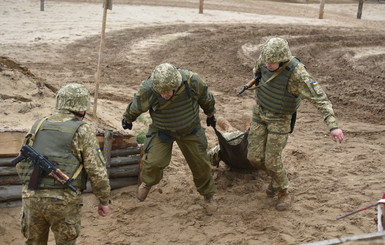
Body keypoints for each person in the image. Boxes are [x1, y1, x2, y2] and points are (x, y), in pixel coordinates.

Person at [246, 37, 344, 211]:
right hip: (260, 112)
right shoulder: (265, 59)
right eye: (267, 60)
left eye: (273, 62)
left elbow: (320, 99)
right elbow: (258, 74)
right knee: (253, 157)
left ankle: (283, 190)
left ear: (282, 59)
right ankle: (277, 179)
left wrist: (333, 126)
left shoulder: (298, 74)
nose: (268, 64)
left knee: (272, 162)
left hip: (280, 118)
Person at [15, 83, 111, 244]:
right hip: (63, 200)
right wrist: (104, 200)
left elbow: (21, 164)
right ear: (82, 106)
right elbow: (97, 171)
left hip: (31, 197)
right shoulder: (82, 130)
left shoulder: (38, 125)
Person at [122, 63, 217, 215]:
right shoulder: (149, 88)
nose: (165, 95)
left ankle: (208, 196)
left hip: (190, 129)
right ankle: (147, 182)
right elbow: (137, 105)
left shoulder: (192, 81)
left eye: (168, 92)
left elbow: (206, 98)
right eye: (161, 92)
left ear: (176, 84)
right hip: (162, 130)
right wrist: (128, 118)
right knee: (153, 162)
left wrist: (210, 113)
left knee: (200, 163)